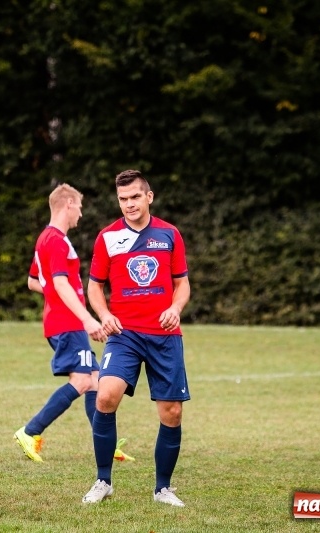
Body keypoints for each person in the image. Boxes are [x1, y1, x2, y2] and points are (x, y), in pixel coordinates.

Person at [81, 169, 191, 507]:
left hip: (164, 334)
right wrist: (104, 315)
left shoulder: (170, 234)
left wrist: (175, 307)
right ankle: (103, 480)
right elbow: (94, 286)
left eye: (134, 197)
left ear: (149, 197)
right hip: (124, 334)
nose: (128, 204)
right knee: (105, 397)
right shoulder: (108, 237)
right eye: (123, 199)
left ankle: (163, 489)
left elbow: (182, 282)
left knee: (171, 412)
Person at [15, 183, 134, 463]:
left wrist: (59, 296)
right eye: (79, 206)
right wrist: (87, 319)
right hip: (67, 323)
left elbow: (35, 281)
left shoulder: (45, 238)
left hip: (62, 320)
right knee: (82, 380)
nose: (80, 213)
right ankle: (30, 431)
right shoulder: (56, 240)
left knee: (94, 382)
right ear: (68, 203)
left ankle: (106, 444)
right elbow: (57, 281)